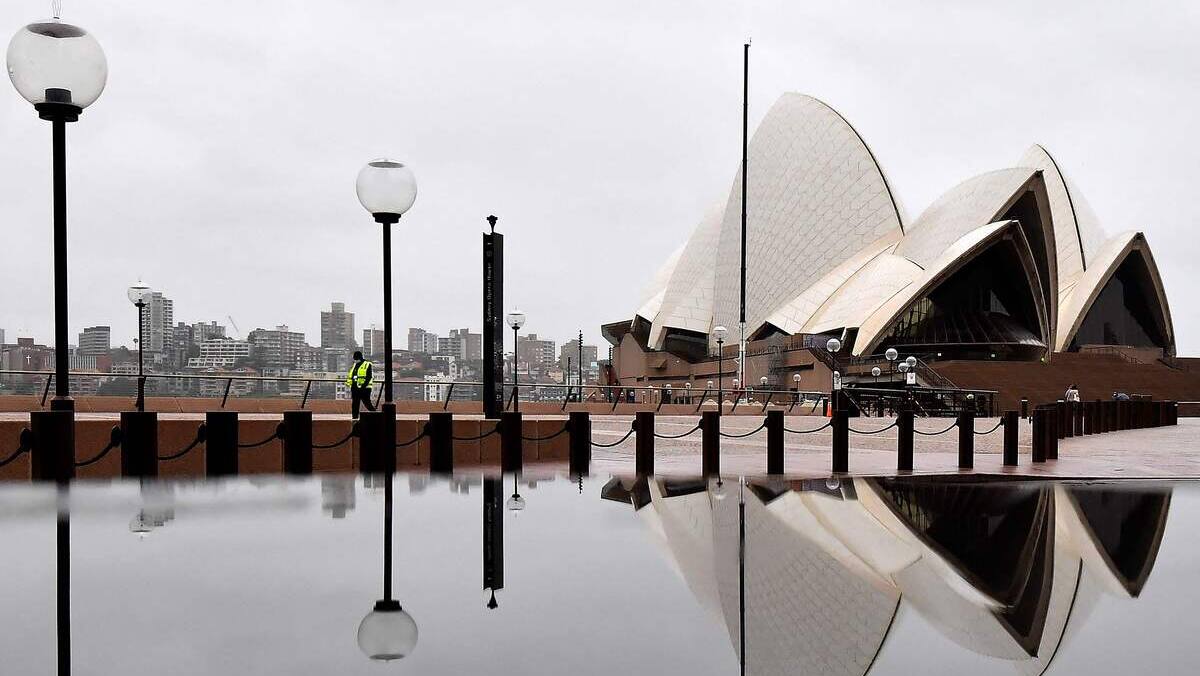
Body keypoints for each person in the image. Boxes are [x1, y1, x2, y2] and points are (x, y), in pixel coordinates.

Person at [346, 351, 375, 419]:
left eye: (355, 358)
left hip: (365, 388)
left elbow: (369, 377)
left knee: (367, 403)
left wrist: (363, 386)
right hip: (355, 388)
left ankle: (376, 415)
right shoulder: (355, 365)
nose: (355, 360)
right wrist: (351, 385)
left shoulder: (367, 364)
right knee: (355, 404)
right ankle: (355, 418)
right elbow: (352, 376)